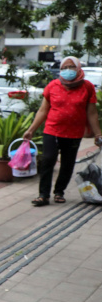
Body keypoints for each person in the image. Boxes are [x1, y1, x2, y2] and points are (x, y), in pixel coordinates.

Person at [23, 56, 102, 206]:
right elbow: (43, 110)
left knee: (67, 163)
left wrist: (98, 134)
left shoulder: (87, 87)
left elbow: (92, 112)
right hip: (52, 130)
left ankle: (59, 192)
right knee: (48, 160)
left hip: (74, 133)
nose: (68, 71)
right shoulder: (52, 86)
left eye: (71, 67)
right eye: (64, 68)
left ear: (79, 69)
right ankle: (43, 195)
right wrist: (31, 130)